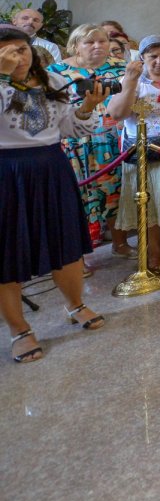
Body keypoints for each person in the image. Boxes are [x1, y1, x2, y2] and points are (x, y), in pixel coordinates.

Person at [0, 26, 107, 362]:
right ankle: (19, 330)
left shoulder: (52, 82)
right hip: (6, 170)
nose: (18, 57)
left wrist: (87, 108)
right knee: (6, 254)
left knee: (65, 242)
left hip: (50, 166)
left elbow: (67, 129)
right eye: (8, 51)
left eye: (22, 49)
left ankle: (75, 304)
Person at [104, 36, 160, 270]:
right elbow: (116, 114)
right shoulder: (132, 80)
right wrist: (131, 82)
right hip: (142, 153)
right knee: (149, 206)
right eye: (153, 56)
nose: (159, 61)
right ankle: (155, 253)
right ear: (142, 58)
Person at [49, 24, 127, 247]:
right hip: (75, 142)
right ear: (75, 46)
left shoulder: (121, 67)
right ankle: (79, 253)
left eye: (102, 41)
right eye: (90, 42)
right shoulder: (56, 72)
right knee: (78, 196)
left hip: (114, 140)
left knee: (116, 192)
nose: (98, 46)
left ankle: (120, 244)